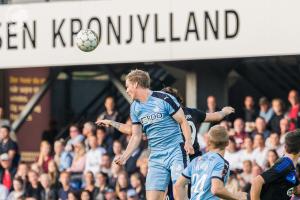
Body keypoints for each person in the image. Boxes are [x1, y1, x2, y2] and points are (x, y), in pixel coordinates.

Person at [110, 69, 193, 200]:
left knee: (178, 190)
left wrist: (188, 141)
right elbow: (136, 135)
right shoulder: (135, 107)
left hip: (176, 152)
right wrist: (125, 156)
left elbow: (183, 121)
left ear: (136, 84)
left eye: (127, 86)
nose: (126, 90)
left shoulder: (164, 99)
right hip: (156, 157)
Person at [97, 86, 235, 161]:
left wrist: (111, 122)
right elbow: (215, 116)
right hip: (195, 160)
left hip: (177, 160)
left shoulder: (161, 119)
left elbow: (131, 130)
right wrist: (224, 111)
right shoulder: (191, 112)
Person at [174, 125, 247, 200]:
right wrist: (237, 197)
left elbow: (177, 186)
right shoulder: (221, 162)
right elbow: (216, 189)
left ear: (208, 143)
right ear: (227, 143)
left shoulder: (196, 161)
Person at [250, 129, 300, 200]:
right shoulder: (285, 164)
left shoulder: (290, 166)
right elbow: (257, 181)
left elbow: (294, 189)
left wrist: (294, 190)